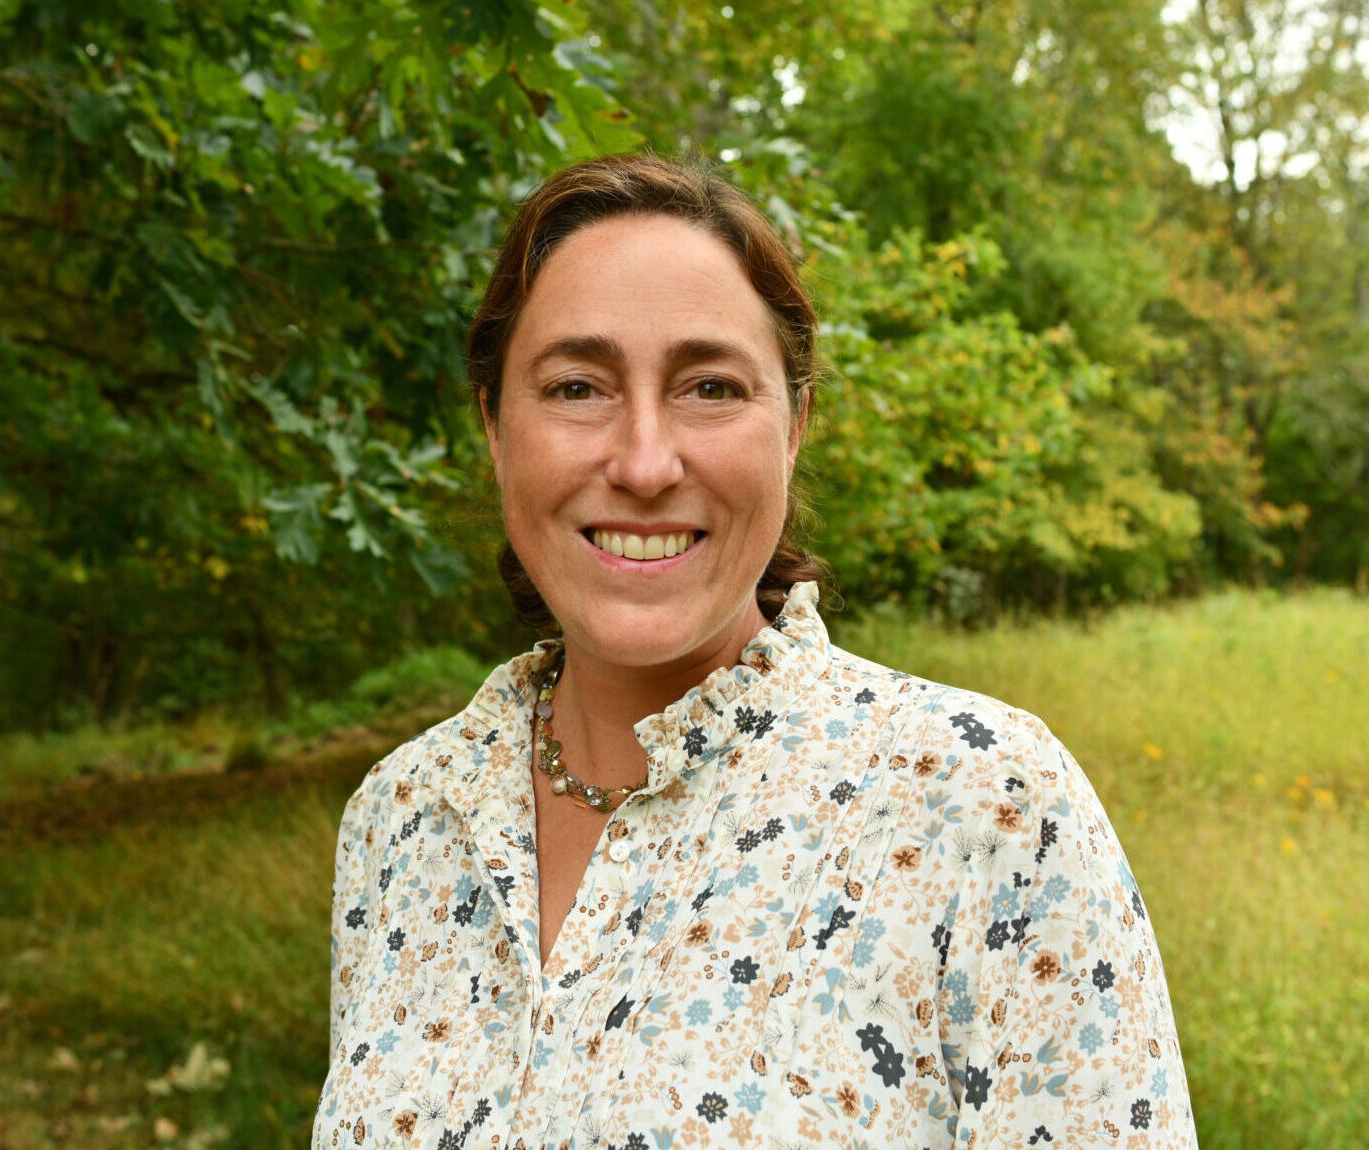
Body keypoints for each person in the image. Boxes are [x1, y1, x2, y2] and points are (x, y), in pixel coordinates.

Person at [313, 154, 1197, 1150]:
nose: (645, 462)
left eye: (709, 386)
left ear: (795, 426)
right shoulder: (404, 818)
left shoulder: (979, 799)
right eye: (575, 386)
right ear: (494, 427)